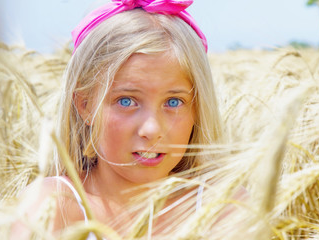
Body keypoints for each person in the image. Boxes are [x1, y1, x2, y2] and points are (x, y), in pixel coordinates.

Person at [11, 0, 224, 239]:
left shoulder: (222, 207)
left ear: (197, 109)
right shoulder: (50, 205)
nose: (151, 129)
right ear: (85, 105)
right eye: (126, 101)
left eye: (173, 102)